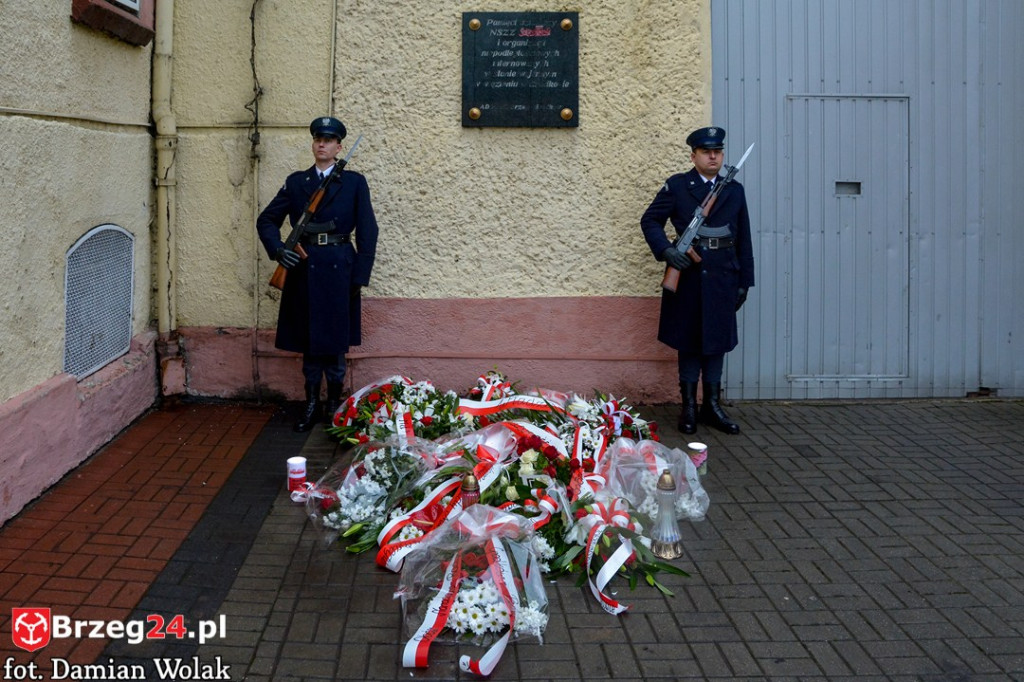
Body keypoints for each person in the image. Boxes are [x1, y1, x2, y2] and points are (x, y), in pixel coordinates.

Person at [257, 116, 378, 431]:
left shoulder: (354, 182)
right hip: (304, 267)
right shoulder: (297, 182)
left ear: (339, 147)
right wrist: (278, 249)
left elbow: (368, 230)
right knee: (309, 342)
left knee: (335, 344)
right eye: (317, 139)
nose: (322, 144)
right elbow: (266, 220)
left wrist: (360, 275)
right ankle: (311, 404)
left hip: (340, 270)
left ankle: (334, 407)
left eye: (328, 140)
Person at [640, 126, 754, 435]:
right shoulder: (678, 186)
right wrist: (666, 251)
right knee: (689, 343)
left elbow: (743, 237)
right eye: (706, 152)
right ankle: (689, 406)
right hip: (688, 277)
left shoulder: (734, 190)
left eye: (718, 151)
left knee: (717, 343)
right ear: (694, 156)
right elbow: (650, 220)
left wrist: (745, 280)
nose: (713, 156)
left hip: (723, 276)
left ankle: (712, 406)